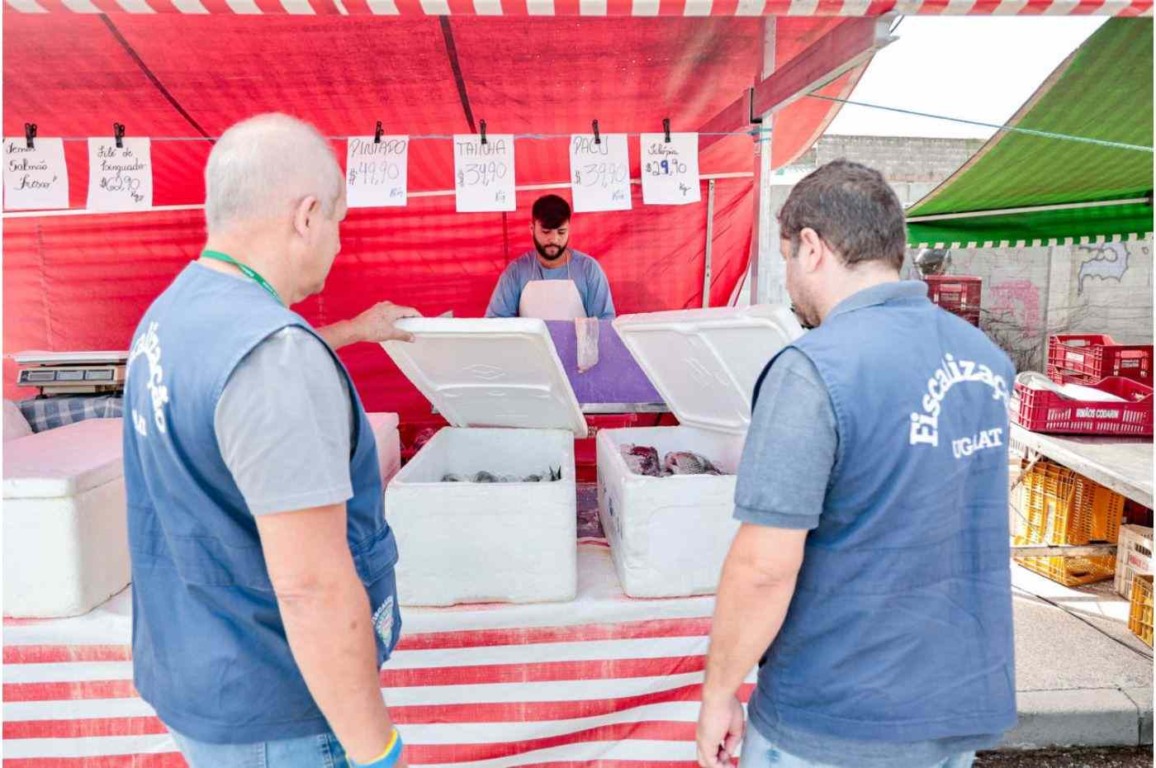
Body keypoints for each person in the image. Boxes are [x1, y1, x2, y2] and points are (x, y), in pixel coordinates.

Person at [696, 160, 1016, 768]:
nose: (789, 279)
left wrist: (719, 693)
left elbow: (765, 565)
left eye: (787, 258)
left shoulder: (814, 368)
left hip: (838, 716)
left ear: (811, 248)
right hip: (955, 704)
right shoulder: (985, 359)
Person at [123, 113, 419, 768]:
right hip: (277, 706)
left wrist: (355, 329)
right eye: (339, 221)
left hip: (198, 675)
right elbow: (310, 585)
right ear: (307, 215)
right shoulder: (274, 355)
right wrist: (378, 749)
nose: (340, 244)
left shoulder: (170, 314)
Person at [484, 194, 616, 320]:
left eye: (561, 232)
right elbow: (497, 324)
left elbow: (605, 323)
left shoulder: (589, 270)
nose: (554, 239)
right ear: (532, 228)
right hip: (530, 345)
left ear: (569, 229)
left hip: (578, 344)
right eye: (546, 232)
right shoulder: (516, 272)